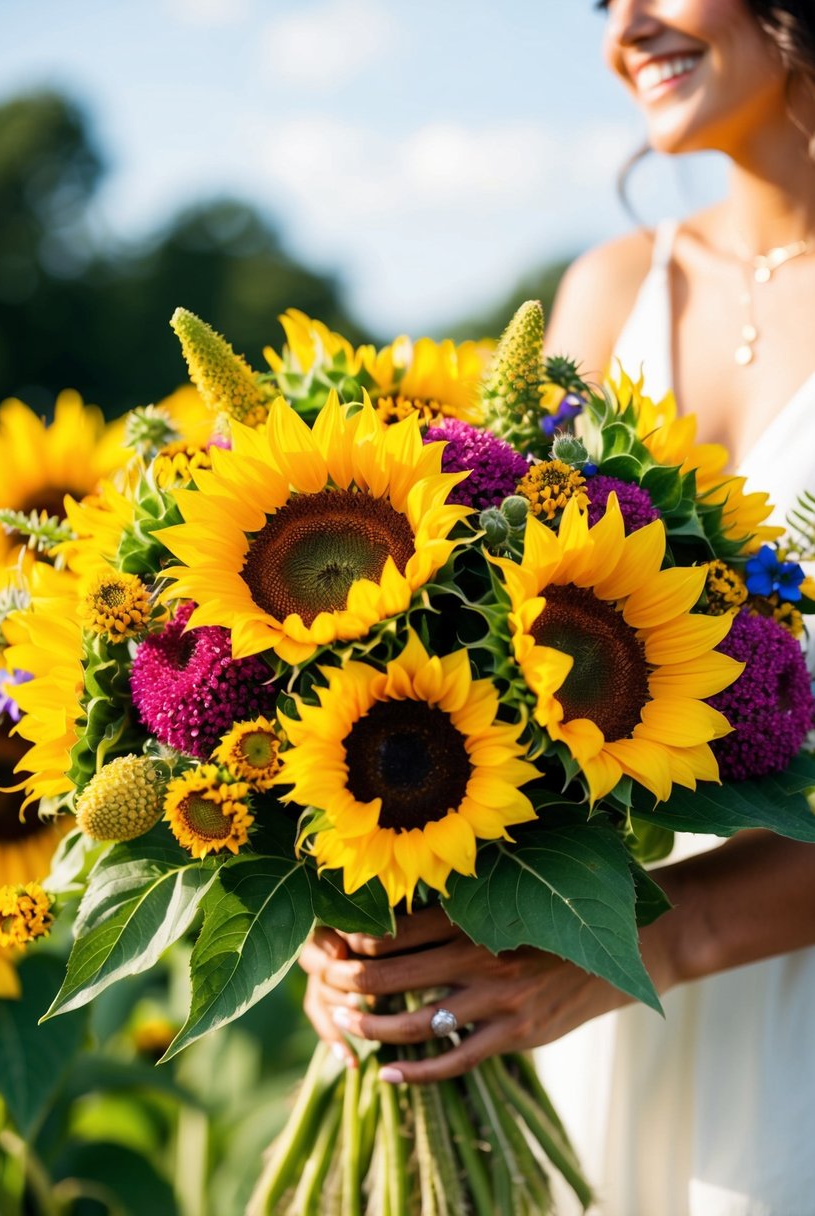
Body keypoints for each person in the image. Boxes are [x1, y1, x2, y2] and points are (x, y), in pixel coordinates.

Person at [298, 2, 815, 1212]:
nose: (625, 24)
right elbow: (467, 650)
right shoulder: (611, 289)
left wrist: (654, 939)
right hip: (574, 1002)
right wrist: (370, 922)